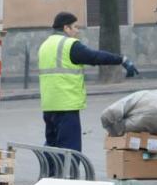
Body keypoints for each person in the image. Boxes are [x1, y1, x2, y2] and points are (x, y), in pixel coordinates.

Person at [38, 12, 138, 156]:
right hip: (66, 106)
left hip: (49, 105)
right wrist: (122, 60)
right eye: (75, 27)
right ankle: (69, 177)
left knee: (52, 147)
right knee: (70, 150)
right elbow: (95, 56)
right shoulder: (69, 45)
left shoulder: (45, 45)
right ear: (66, 28)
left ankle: (51, 176)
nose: (77, 30)